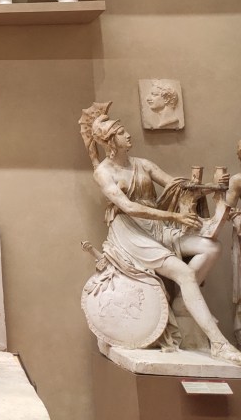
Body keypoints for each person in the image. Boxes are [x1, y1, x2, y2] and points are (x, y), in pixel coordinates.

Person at [80, 105, 241, 365]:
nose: (128, 135)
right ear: (110, 142)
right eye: (121, 133)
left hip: (157, 228)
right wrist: (175, 217)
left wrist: (211, 188)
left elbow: (177, 187)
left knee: (212, 248)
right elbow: (130, 207)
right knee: (184, 273)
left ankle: (182, 301)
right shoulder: (104, 173)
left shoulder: (143, 164)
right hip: (131, 235)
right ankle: (219, 344)